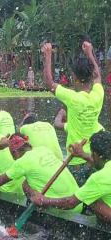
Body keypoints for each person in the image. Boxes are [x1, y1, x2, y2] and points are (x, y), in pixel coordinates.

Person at [0, 134, 82, 213]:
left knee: (26, 184)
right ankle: (38, 204)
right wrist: (6, 143)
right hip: (78, 202)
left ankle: (39, 207)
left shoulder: (22, 162)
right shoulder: (43, 149)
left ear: (15, 152)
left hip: (63, 208)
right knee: (25, 184)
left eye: (11, 154)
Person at [42, 41, 104, 185]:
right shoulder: (98, 95)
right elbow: (98, 77)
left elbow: (49, 84)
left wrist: (48, 55)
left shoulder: (73, 98)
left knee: (76, 197)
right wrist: (90, 52)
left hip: (76, 160)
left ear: (75, 78)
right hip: (94, 158)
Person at [28, 131, 111, 222]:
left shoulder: (98, 178)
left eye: (91, 154)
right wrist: (82, 154)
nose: (91, 156)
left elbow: (70, 203)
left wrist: (44, 200)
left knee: (92, 199)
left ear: (95, 154)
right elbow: (103, 166)